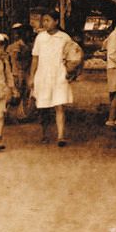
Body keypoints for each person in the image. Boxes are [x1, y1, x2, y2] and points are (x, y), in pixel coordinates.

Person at [30, 10, 74, 146]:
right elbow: (35, 58)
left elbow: (73, 57)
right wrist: (32, 77)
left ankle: (61, 136)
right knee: (43, 106)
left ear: (56, 21)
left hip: (59, 75)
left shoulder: (65, 38)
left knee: (59, 105)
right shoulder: (40, 38)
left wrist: (70, 72)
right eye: (43, 20)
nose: (45, 23)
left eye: (48, 20)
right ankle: (45, 133)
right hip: (43, 76)